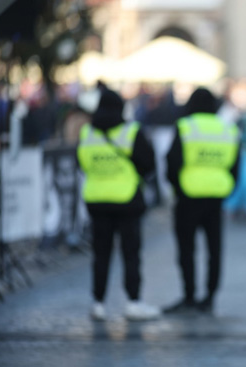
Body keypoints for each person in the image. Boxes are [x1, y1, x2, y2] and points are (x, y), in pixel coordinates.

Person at [77, 87, 160, 321]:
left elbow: (81, 162)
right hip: (127, 200)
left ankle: (98, 303)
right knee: (130, 253)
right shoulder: (131, 131)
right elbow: (148, 164)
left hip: (96, 200)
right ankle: (133, 302)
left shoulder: (87, 133)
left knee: (100, 253)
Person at [164, 87, 240, 314]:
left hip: (187, 197)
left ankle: (189, 296)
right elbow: (235, 167)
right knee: (214, 249)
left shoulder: (185, 127)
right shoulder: (227, 128)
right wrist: (225, 189)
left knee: (186, 249)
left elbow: (172, 161)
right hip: (216, 197)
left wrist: (177, 188)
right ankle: (209, 298)